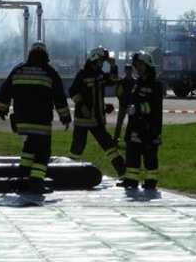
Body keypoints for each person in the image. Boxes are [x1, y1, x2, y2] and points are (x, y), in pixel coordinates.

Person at [0, 41, 72, 195]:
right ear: (46, 55)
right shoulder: (49, 73)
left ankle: (23, 177)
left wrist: (2, 109)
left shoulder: (18, 70)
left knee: (29, 148)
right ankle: (36, 183)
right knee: (43, 152)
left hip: (22, 121)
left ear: (30, 53)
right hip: (41, 122)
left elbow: (5, 89)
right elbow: (59, 97)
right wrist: (65, 117)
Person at [67, 46, 126, 177]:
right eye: (101, 61)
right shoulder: (82, 74)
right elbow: (72, 91)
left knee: (108, 144)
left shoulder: (100, 75)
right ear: (94, 59)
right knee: (78, 146)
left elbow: (113, 80)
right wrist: (81, 105)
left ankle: (122, 171)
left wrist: (113, 66)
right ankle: (67, 171)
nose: (102, 63)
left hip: (97, 119)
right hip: (83, 119)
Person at [118, 51, 165, 190]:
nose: (138, 67)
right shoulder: (138, 82)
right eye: (136, 65)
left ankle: (151, 182)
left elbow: (154, 106)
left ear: (148, 65)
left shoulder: (155, 85)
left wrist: (137, 108)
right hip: (135, 125)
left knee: (150, 156)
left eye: (140, 65)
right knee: (132, 153)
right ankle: (131, 180)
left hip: (149, 127)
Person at [113, 63, 135, 145]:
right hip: (123, 105)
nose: (128, 71)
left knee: (131, 124)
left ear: (131, 70)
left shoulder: (134, 82)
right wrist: (121, 100)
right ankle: (116, 139)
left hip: (130, 105)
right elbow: (118, 93)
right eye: (127, 69)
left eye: (129, 69)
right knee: (119, 123)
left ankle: (128, 139)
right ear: (125, 70)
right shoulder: (121, 82)